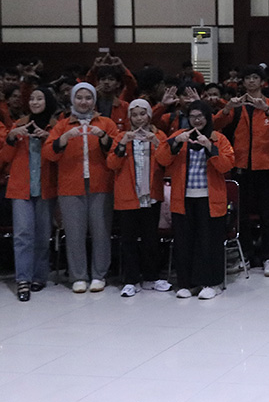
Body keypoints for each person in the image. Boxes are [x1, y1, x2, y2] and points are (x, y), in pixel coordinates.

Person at [156, 100, 235, 299]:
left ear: (208, 117)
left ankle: (211, 283)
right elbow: (162, 159)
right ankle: (186, 283)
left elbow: (227, 165)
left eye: (200, 116)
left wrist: (209, 146)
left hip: (210, 198)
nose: (196, 120)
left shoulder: (218, 138)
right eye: (192, 116)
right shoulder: (180, 135)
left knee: (208, 242)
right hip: (183, 198)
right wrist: (176, 142)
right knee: (184, 242)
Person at [43, 82, 116, 293]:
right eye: (79, 97)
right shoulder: (62, 125)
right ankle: (78, 276)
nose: (84, 102)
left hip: (100, 185)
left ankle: (99, 274)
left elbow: (117, 151)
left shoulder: (106, 123)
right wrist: (64, 138)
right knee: (74, 234)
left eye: (88, 98)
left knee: (101, 232)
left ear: (94, 100)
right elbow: (49, 153)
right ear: (73, 100)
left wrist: (103, 137)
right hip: (70, 186)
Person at [215, 65, 269, 276]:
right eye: (247, 78)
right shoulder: (237, 105)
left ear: (262, 81)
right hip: (241, 166)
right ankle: (245, 254)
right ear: (243, 82)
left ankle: (268, 256)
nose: (251, 81)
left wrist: (266, 110)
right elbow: (216, 124)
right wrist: (227, 108)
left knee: (266, 214)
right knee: (243, 214)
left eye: (255, 77)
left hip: (265, 166)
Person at [106, 99, 168, 297]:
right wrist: (123, 143)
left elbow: (167, 161)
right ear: (129, 117)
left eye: (142, 114)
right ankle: (131, 280)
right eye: (134, 115)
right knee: (129, 240)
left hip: (151, 195)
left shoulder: (159, 136)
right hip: (128, 195)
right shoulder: (121, 136)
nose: (139, 118)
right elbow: (112, 164)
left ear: (149, 115)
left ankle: (151, 277)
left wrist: (156, 143)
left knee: (151, 238)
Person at [2, 87, 58, 301]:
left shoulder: (55, 126)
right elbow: (5, 158)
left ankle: (39, 276)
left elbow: (58, 158)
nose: (35, 102)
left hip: (46, 187)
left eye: (39, 98)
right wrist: (11, 138)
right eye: (32, 98)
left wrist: (48, 138)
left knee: (43, 235)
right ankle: (22, 279)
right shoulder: (19, 124)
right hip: (21, 188)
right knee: (23, 235)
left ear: (48, 101)